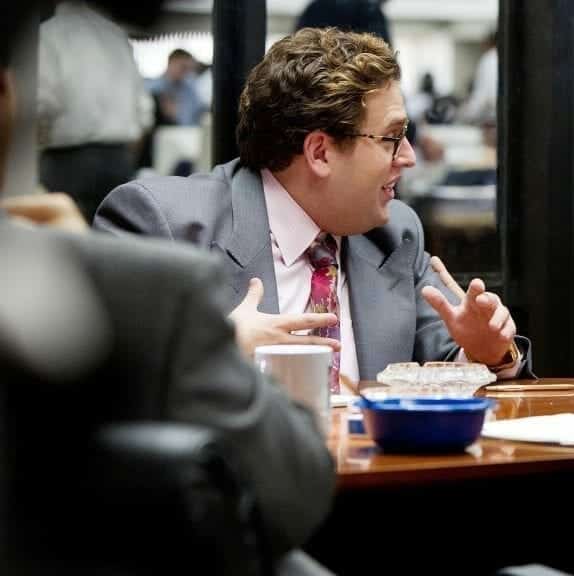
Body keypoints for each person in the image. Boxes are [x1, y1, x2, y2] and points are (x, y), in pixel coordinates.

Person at [0, 3, 334, 574]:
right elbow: (296, 492)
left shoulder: (394, 237)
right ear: (8, 100)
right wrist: (95, 275)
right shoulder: (149, 295)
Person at [95, 29, 530, 393]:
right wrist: (214, 349)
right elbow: (95, 385)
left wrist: (489, 352)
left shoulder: (395, 233)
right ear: (320, 152)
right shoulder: (162, 223)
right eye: (392, 138)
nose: (409, 157)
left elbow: (450, 360)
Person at [36, 0, 153, 222]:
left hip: (67, 163)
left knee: (65, 239)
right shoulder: (118, 35)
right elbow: (144, 110)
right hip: (119, 160)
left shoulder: (49, 33)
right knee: (115, 236)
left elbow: (42, 104)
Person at [147, 48, 205, 126]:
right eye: (183, 67)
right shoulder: (152, 89)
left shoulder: (190, 90)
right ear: (171, 62)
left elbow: (197, 115)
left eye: (189, 69)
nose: (187, 73)